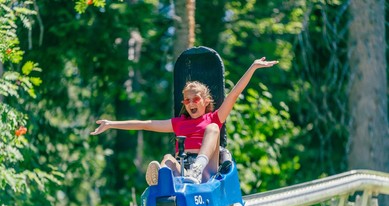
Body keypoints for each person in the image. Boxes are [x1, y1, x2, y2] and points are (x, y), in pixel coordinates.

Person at [90, 57, 279, 185]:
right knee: (168, 160)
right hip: (185, 168)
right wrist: (112, 124)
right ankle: (162, 181)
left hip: (207, 168)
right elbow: (146, 124)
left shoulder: (214, 117)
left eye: (195, 99)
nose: (190, 104)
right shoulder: (179, 123)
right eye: (186, 100)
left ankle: (195, 170)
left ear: (205, 102)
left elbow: (235, 93)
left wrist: (252, 67)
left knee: (213, 129)